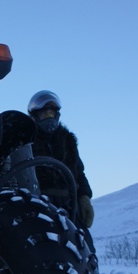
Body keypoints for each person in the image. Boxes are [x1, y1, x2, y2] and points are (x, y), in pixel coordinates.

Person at [27, 90, 94, 229]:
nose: (49, 117)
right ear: (35, 116)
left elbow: (79, 172)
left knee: (83, 247)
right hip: (39, 204)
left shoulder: (67, 141)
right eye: (45, 113)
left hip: (69, 206)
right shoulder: (26, 140)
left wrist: (84, 198)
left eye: (52, 113)